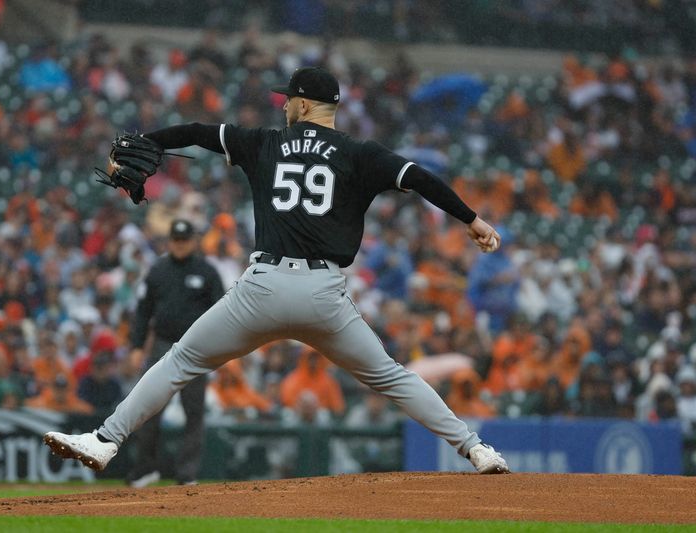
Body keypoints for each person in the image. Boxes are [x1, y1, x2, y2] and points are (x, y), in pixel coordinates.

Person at [44, 66, 510, 475]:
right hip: (324, 294)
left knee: (180, 362)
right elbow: (421, 178)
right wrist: (471, 219)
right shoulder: (360, 152)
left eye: (289, 98)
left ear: (304, 103)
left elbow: (196, 131)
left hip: (263, 289)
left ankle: (104, 441)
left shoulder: (264, 141)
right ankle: (475, 449)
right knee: (392, 376)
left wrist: (149, 144)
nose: (285, 104)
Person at [125, 219, 224, 487]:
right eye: (176, 240)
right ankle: (145, 468)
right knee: (148, 408)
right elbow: (143, 312)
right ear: (170, 241)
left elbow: (221, 313)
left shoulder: (207, 272)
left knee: (194, 412)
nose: (180, 245)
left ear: (193, 241)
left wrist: (217, 350)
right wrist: (136, 346)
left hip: (195, 349)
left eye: (184, 240)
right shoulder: (158, 271)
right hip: (162, 346)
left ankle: (186, 474)